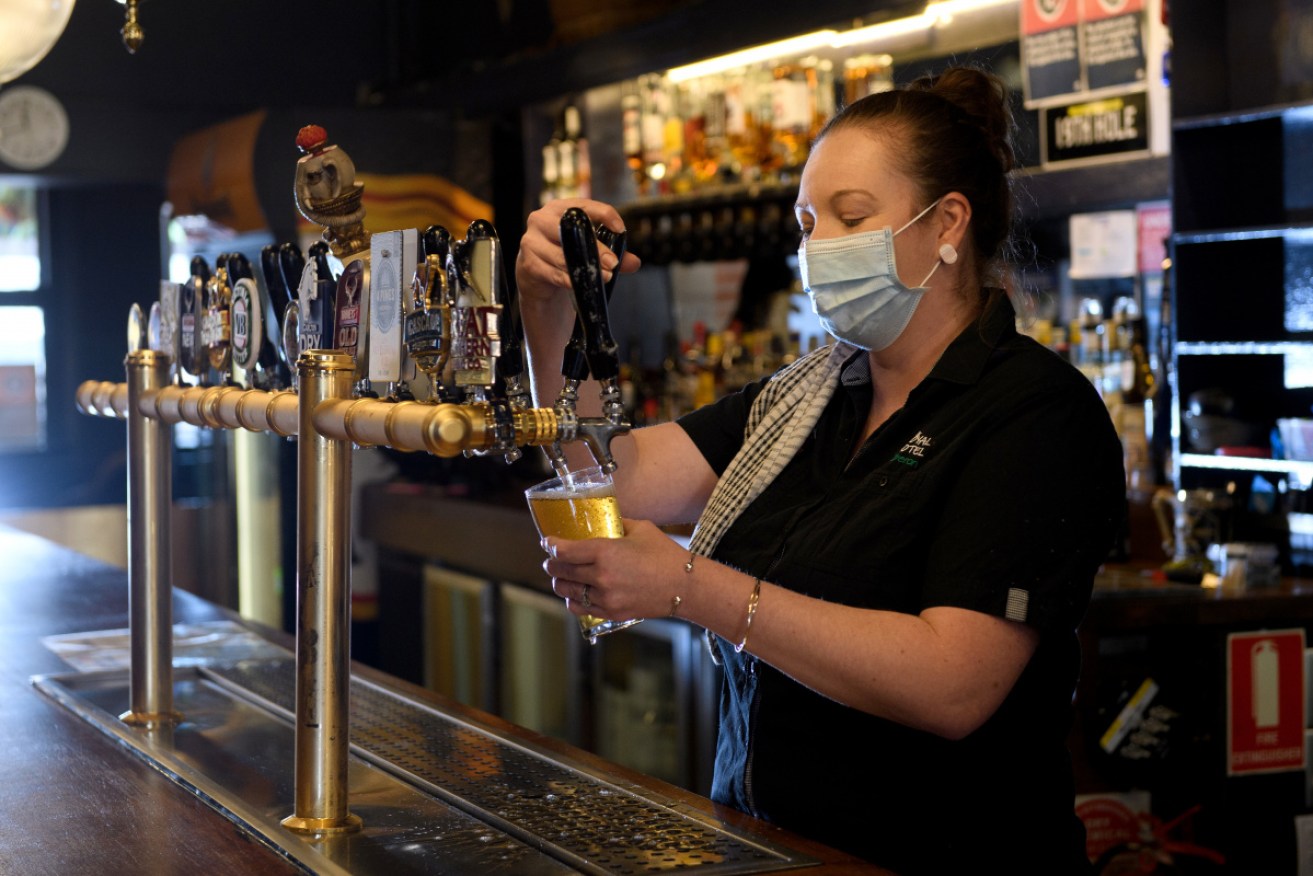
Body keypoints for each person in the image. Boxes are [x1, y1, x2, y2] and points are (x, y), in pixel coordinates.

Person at [515, 65, 1125, 875]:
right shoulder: (804, 400)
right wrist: (553, 313)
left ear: (947, 223)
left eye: (851, 216)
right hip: (766, 849)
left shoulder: (1033, 413)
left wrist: (691, 588)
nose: (818, 248)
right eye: (808, 223)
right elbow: (606, 472)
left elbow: (953, 686)